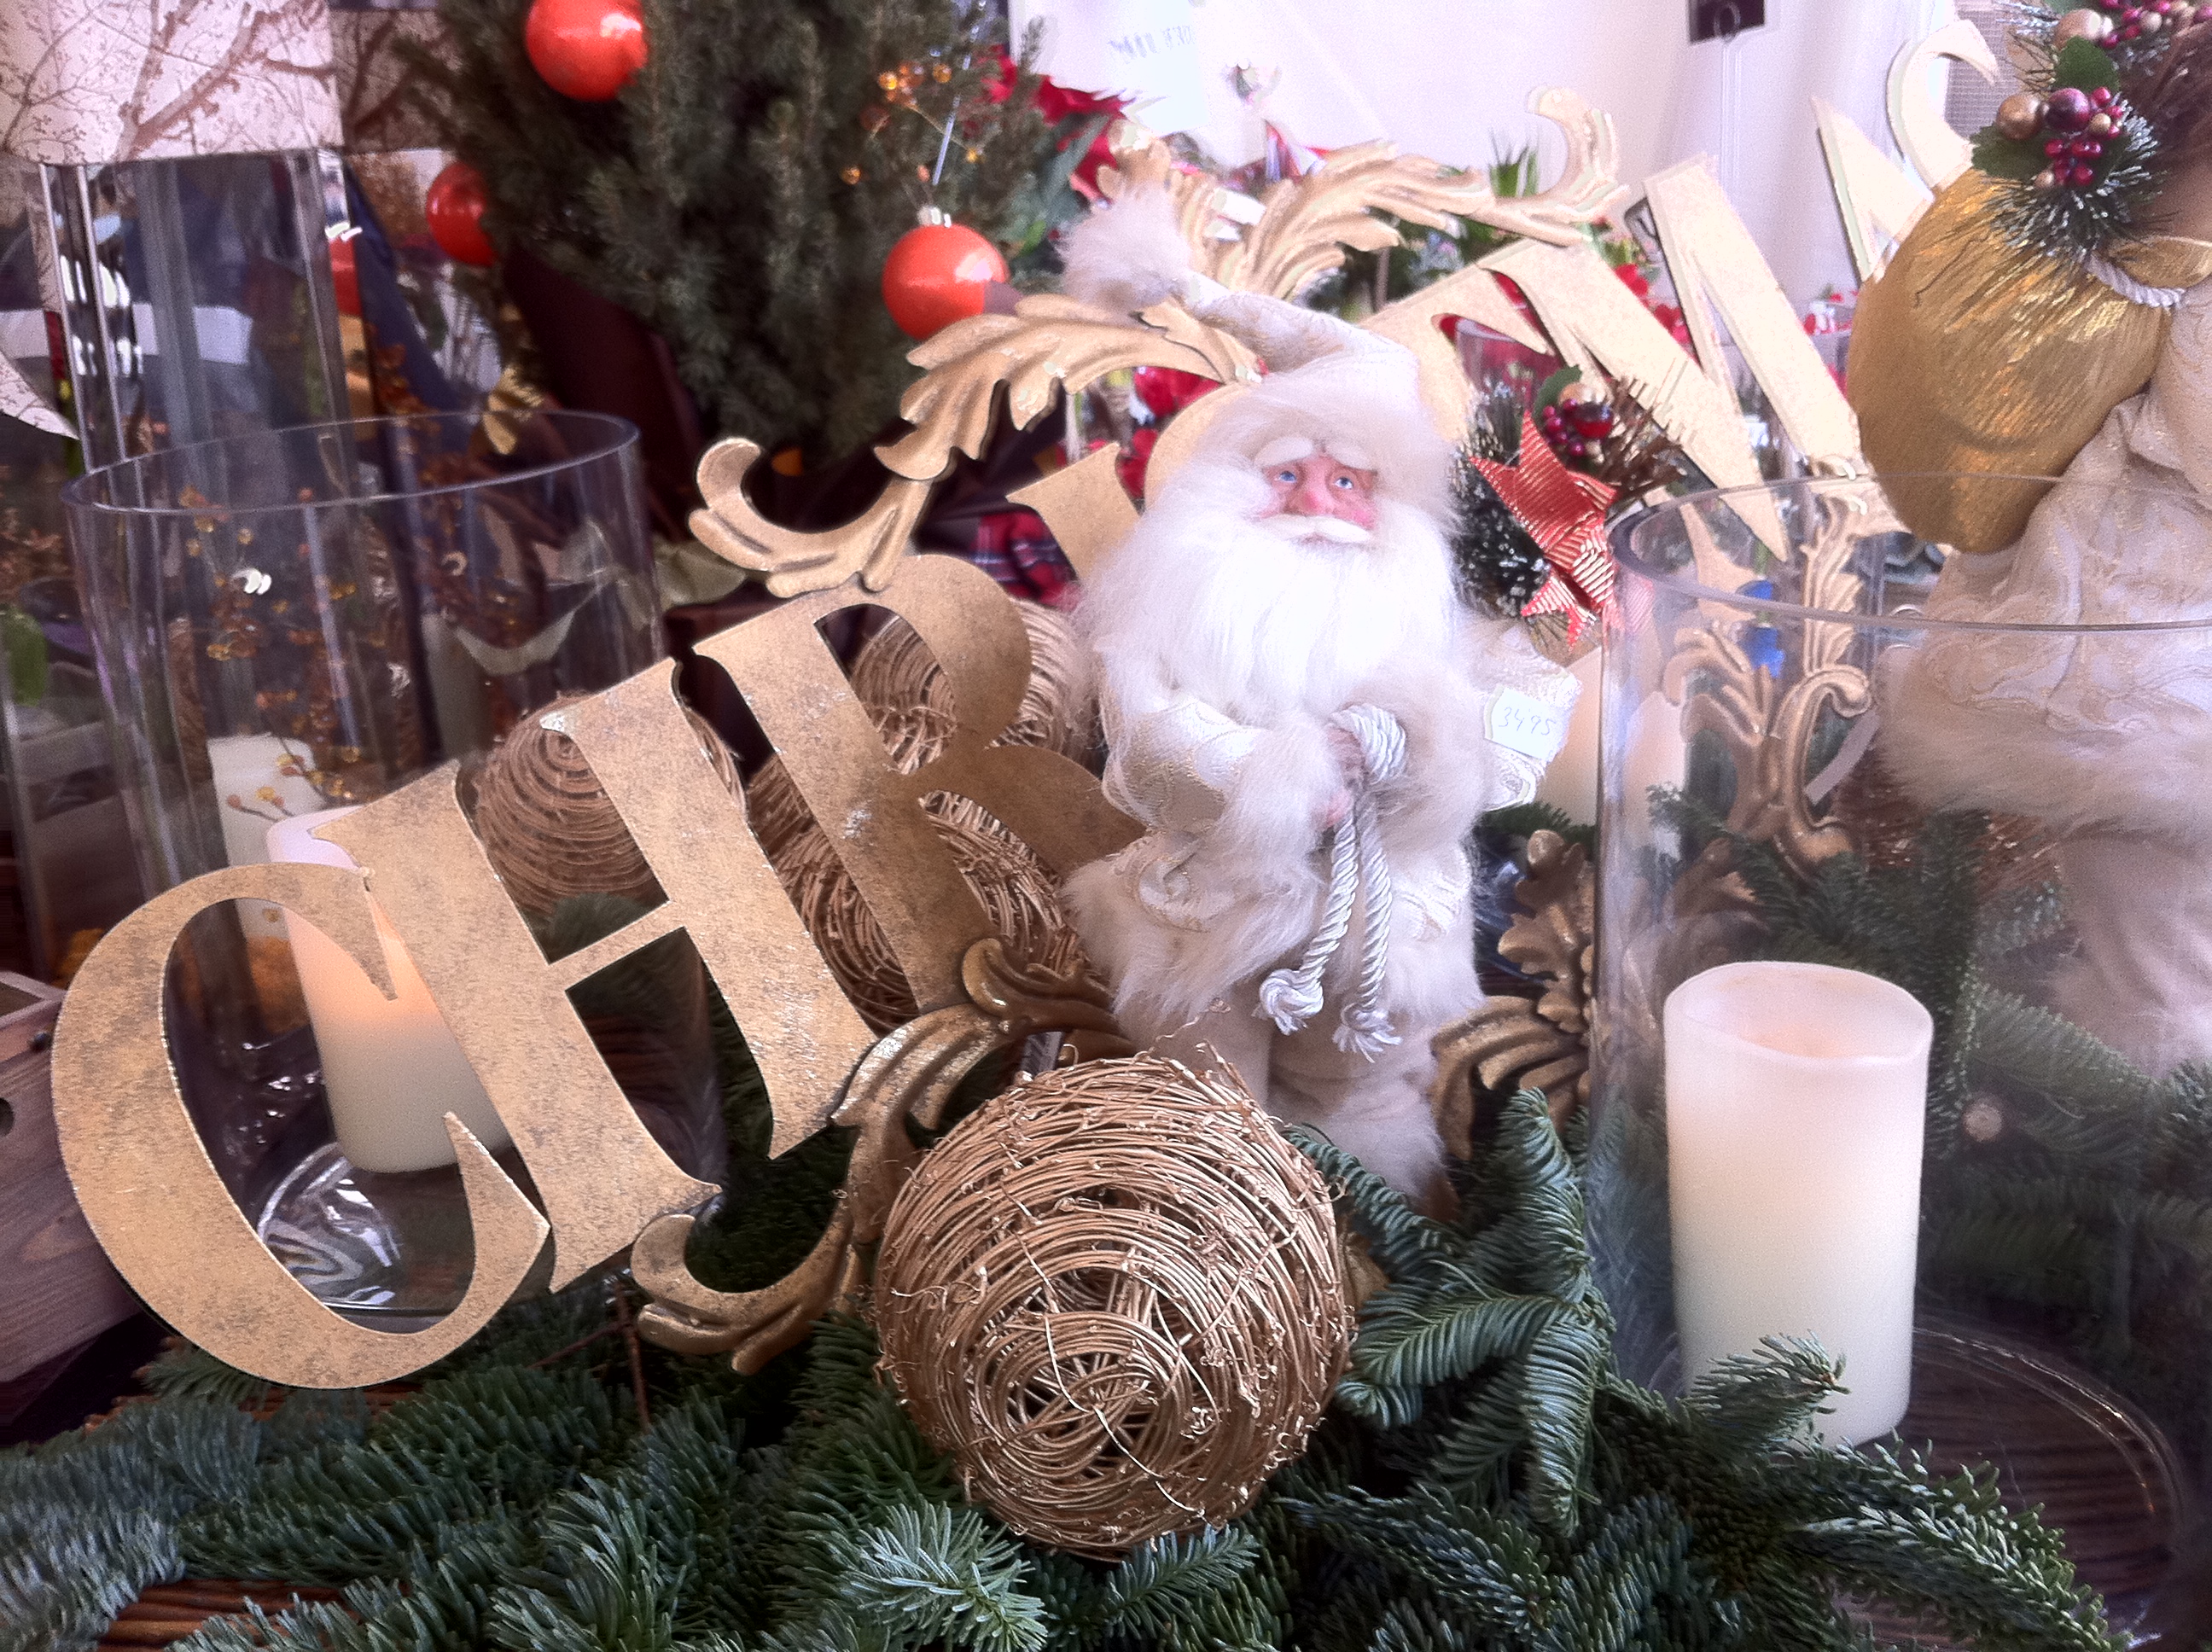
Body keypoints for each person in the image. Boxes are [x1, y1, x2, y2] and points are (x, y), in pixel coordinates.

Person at [1059, 189, 1576, 1207]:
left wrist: (1415, 751)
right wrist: (1277, 777)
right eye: (1289, 472)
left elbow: (1510, 735)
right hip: (1204, 916)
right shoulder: (1161, 616)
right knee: (1203, 1124)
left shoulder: (1432, 621)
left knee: (1370, 1113)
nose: (1315, 503)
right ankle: (1207, 1245)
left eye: (1349, 484)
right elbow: (1147, 742)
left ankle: (1384, 1253)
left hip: (1383, 935)